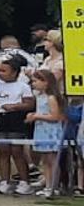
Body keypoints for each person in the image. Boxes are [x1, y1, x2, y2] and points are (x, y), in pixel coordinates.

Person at [0, 55, 34, 196]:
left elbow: (29, 104)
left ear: (14, 72)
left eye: (4, 71)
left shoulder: (23, 86)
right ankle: (4, 181)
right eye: (0, 70)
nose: (1, 73)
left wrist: (15, 106)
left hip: (15, 119)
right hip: (0, 118)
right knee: (3, 151)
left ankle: (24, 181)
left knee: (17, 151)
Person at [26, 69, 66, 198]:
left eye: (36, 81)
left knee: (52, 160)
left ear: (46, 82)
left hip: (51, 131)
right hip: (41, 130)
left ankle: (54, 186)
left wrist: (37, 116)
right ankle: (48, 185)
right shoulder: (40, 97)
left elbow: (55, 116)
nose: (33, 83)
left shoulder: (51, 98)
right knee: (45, 160)